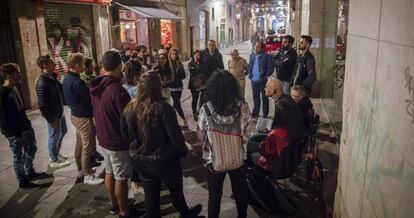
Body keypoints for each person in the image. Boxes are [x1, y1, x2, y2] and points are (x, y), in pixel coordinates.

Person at [121, 71, 202, 218]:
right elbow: (176, 137)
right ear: (157, 87)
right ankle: (186, 214)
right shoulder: (163, 108)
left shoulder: (129, 107)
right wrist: (182, 151)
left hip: (139, 160)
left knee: (151, 197)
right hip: (163, 161)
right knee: (176, 192)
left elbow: (125, 136)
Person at [197, 70, 250, 218]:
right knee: (240, 190)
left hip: (214, 160)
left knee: (214, 195)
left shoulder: (206, 108)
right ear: (233, 87)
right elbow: (246, 133)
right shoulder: (243, 107)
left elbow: (201, 134)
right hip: (238, 158)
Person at [90, 50, 133, 217]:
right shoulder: (118, 90)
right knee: (121, 177)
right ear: (119, 66)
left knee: (109, 172)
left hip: (103, 137)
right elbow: (128, 119)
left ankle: (114, 205)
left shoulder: (96, 85)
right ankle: (124, 210)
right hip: (117, 140)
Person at [0, 63, 45, 190]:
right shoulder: (2, 94)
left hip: (26, 128)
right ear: (9, 75)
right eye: (17, 73)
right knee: (18, 157)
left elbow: (19, 110)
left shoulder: (14, 88)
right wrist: (14, 134)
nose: (20, 75)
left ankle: (29, 172)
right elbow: (4, 119)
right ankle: (23, 182)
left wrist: (27, 125)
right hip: (15, 133)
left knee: (32, 150)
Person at [62, 53, 104, 185]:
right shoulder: (77, 82)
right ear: (76, 65)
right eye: (81, 64)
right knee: (87, 146)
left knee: (80, 144)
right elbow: (90, 96)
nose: (83, 66)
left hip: (75, 115)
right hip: (83, 117)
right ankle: (88, 175)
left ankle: (80, 170)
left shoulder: (67, 78)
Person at [35, 55, 70, 168]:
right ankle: (53, 159)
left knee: (63, 131)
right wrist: (50, 119)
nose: (55, 64)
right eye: (52, 62)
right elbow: (42, 104)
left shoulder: (51, 77)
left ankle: (56, 153)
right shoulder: (42, 82)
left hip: (59, 111)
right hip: (53, 115)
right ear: (45, 65)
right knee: (53, 135)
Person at [248, 41, 274, 119]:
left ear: (263, 48)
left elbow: (270, 68)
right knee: (255, 97)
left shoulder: (267, 56)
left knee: (264, 97)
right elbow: (250, 66)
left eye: (258, 47)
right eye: (255, 46)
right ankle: (256, 112)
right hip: (254, 80)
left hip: (262, 80)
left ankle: (265, 114)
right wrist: (250, 75)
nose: (256, 48)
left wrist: (264, 76)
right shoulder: (252, 55)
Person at [168, 48, 188, 127]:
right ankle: (172, 119)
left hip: (178, 86)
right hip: (171, 87)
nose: (174, 55)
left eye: (175, 54)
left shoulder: (179, 64)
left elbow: (184, 76)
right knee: (176, 104)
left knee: (176, 104)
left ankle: (184, 120)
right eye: (173, 54)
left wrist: (176, 74)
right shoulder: (168, 64)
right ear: (170, 55)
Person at [188, 50, 206, 121]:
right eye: (196, 54)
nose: (197, 56)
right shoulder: (190, 63)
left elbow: (204, 70)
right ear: (193, 55)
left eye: (199, 55)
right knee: (195, 99)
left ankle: (200, 110)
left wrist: (197, 70)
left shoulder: (202, 63)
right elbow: (192, 72)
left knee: (203, 97)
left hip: (202, 83)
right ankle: (194, 113)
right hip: (193, 84)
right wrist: (199, 70)